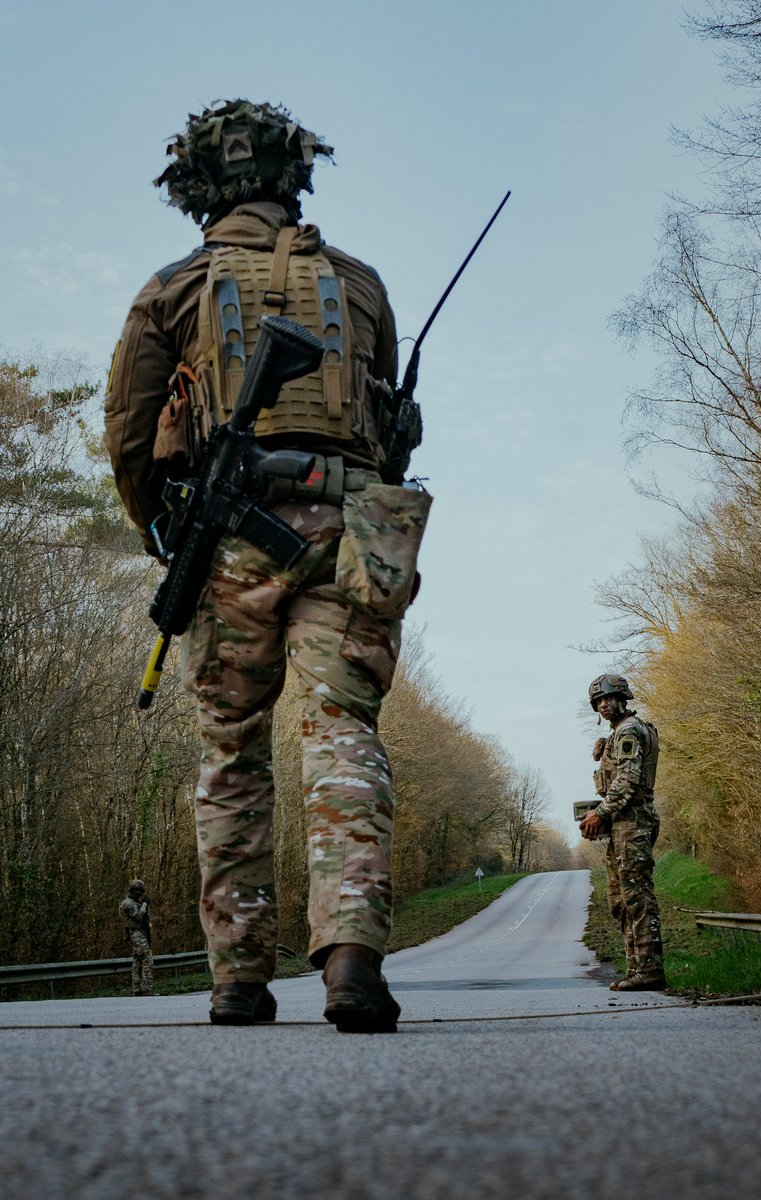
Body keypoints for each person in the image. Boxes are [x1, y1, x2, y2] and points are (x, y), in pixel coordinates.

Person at [104, 100, 431, 1030]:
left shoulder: (171, 286)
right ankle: (353, 960)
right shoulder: (360, 283)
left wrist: (162, 530)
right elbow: (388, 427)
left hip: (233, 531)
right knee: (343, 734)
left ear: (198, 187)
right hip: (353, 527)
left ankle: (239, 980)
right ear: (296, 176)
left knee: (232, 754)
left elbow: (129, 436)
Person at [579, 674, 666, 991]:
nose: (603, 704)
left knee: (636, 896)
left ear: (623, 698)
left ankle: (649, 970)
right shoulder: (619, 733)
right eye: (598, 701)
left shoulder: (629, 730)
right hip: (622, 822)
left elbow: (627, 782)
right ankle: (637, 969)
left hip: (633, 821)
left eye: (609, 698)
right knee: (620, 900)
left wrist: (598, 814)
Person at [119, 879, 155, 996]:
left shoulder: (135, 902)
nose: (140, 893)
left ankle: (137, 988)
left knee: (137, 961)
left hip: (140, 932)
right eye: (138, 891)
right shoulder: (127, 903)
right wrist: (144, 904)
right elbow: (139, 916)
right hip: (135, 933)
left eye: (141, 891)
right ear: (132, 890)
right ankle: (147, 989)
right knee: (147, 959)